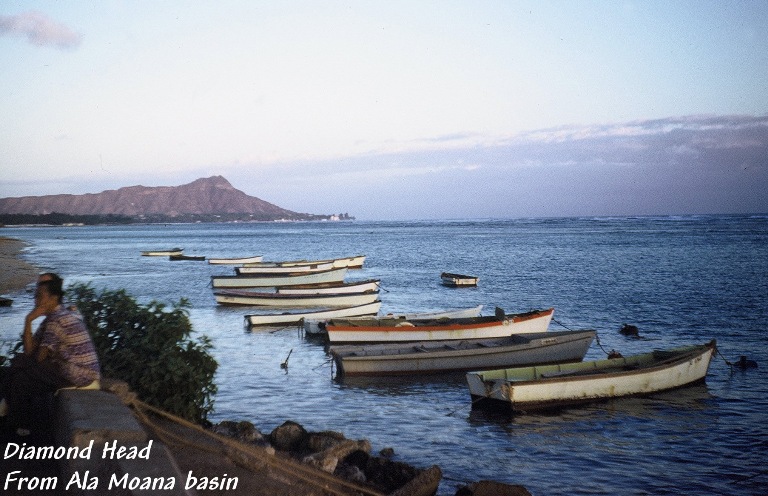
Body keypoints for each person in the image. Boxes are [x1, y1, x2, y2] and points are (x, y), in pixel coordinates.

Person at [0, 274, 101, 435]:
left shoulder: (58, 319)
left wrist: (23, 360)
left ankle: (19, 428)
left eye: (39, 297)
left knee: (21, 377)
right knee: (19, 365)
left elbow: (38, 358)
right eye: (35, 296)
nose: (36, 301)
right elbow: (30, 351)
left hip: (79, 373)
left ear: (53, 298)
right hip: (68, 368)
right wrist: (28, 321)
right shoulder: (53, 317)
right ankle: (13, 420)